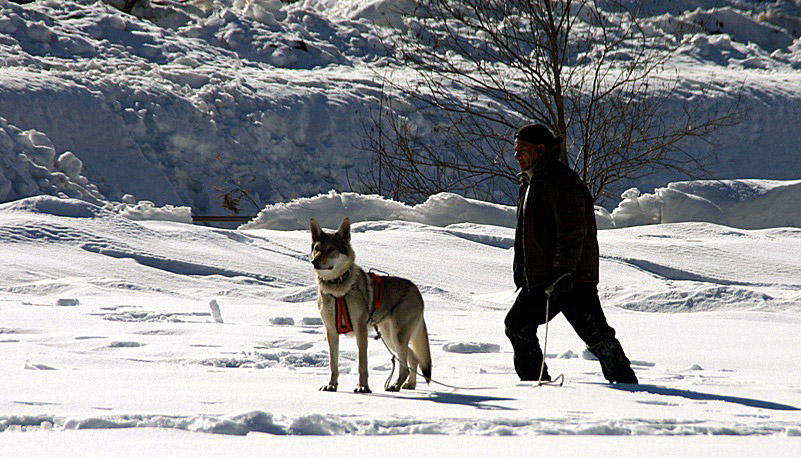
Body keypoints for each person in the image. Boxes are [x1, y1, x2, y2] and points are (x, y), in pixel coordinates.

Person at [505, 124, 638, 384]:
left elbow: (573, 230)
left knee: (596, 334)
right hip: (545, 278)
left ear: (541, 150)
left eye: (522, 150)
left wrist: (563, 271)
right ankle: (534, 381)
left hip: (571, 278)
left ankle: (624, 381)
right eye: (515, 150)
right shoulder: (531, 181)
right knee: (518, 324)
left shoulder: (561, 181)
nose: (516, 156)